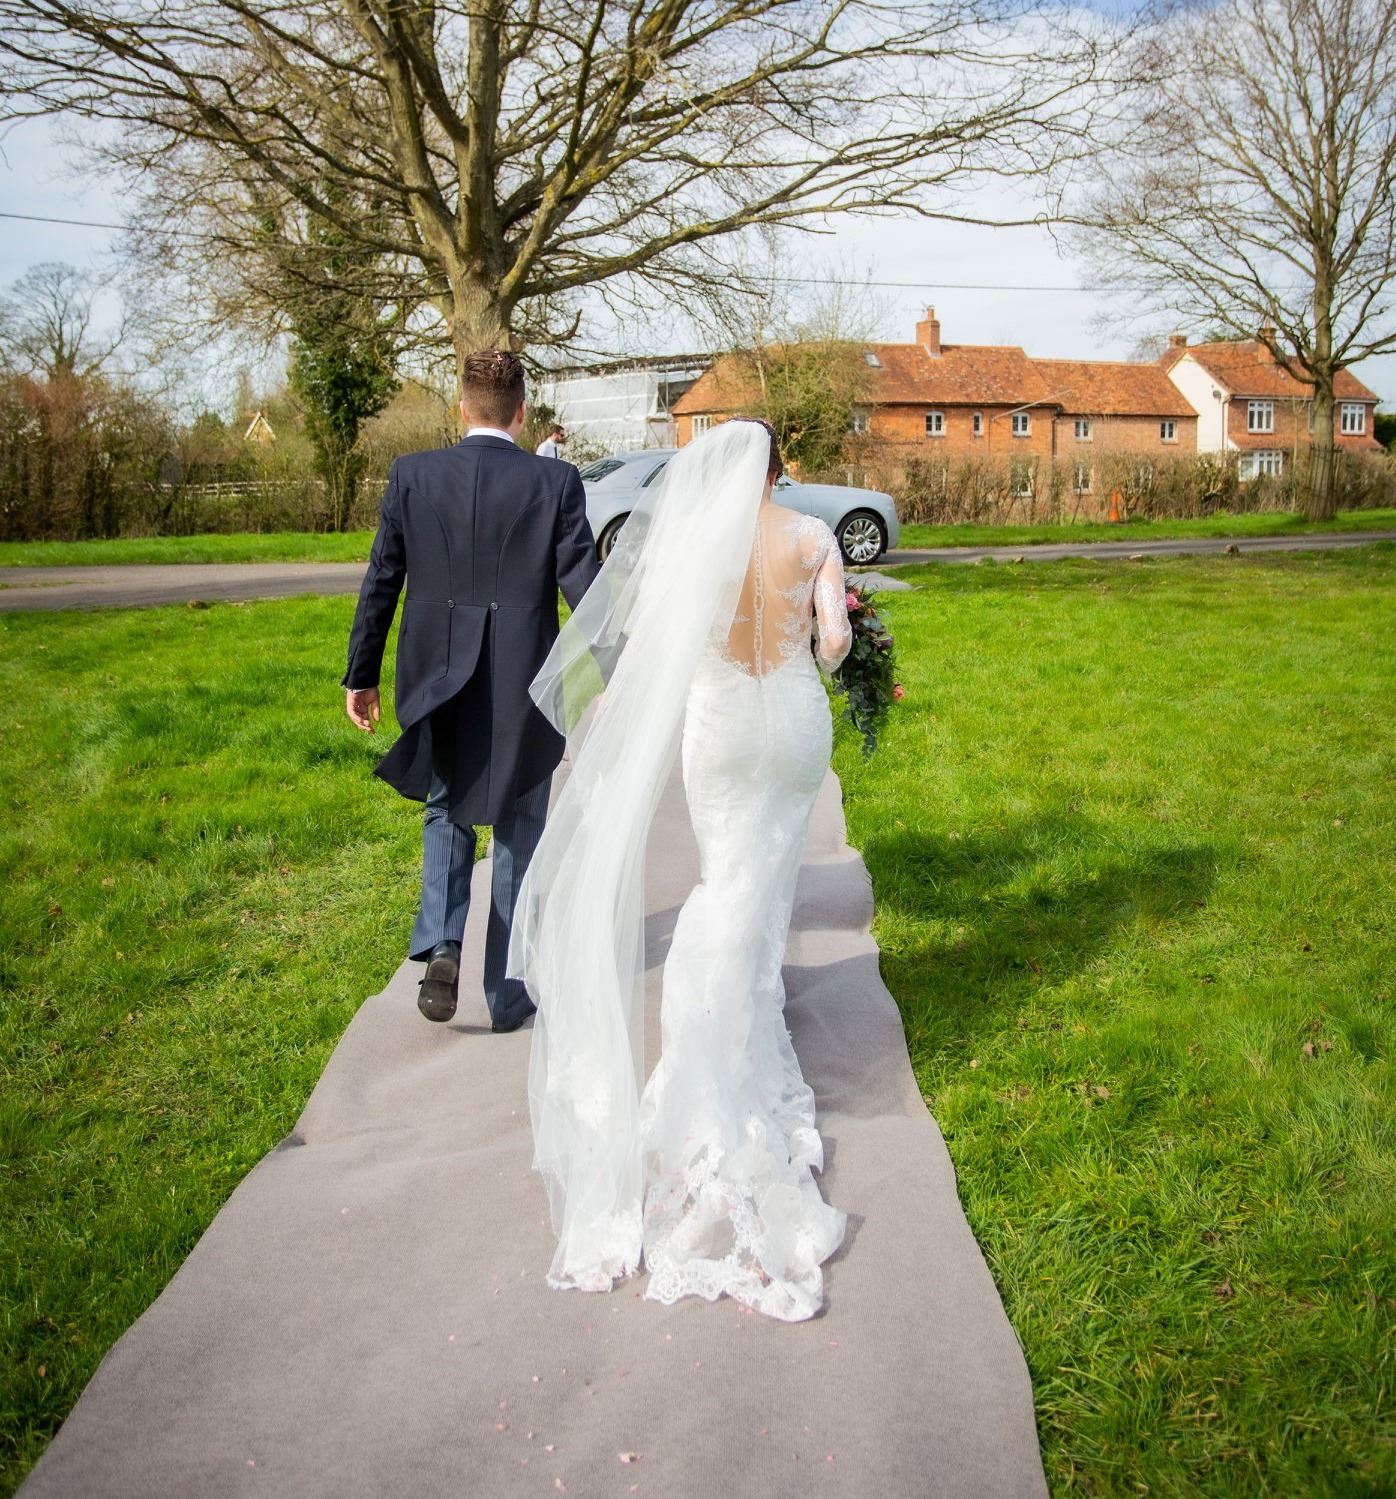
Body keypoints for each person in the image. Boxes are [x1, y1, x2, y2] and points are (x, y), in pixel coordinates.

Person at [508, 417, 853, 1321]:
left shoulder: (691, 542)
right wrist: (840, 643)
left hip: (721, 728)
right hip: (792, 724)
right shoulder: (813, 537)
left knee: (726, 870)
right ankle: (743, 1007)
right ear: (782, 470)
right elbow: (832, 646)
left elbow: (657, 651)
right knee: (765, 874)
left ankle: (728, 1017)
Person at [342, 350, 599, 1031]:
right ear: (522, 412)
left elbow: (381, 582)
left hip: (437, 673)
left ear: (463, 407)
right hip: (525, 684)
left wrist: (360, 673)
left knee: (446, 807)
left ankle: (443, 944)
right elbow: (589, 595)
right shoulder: (557, 482)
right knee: (520, 826)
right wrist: (619, 667)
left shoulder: (412, 475)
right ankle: (507, 992)